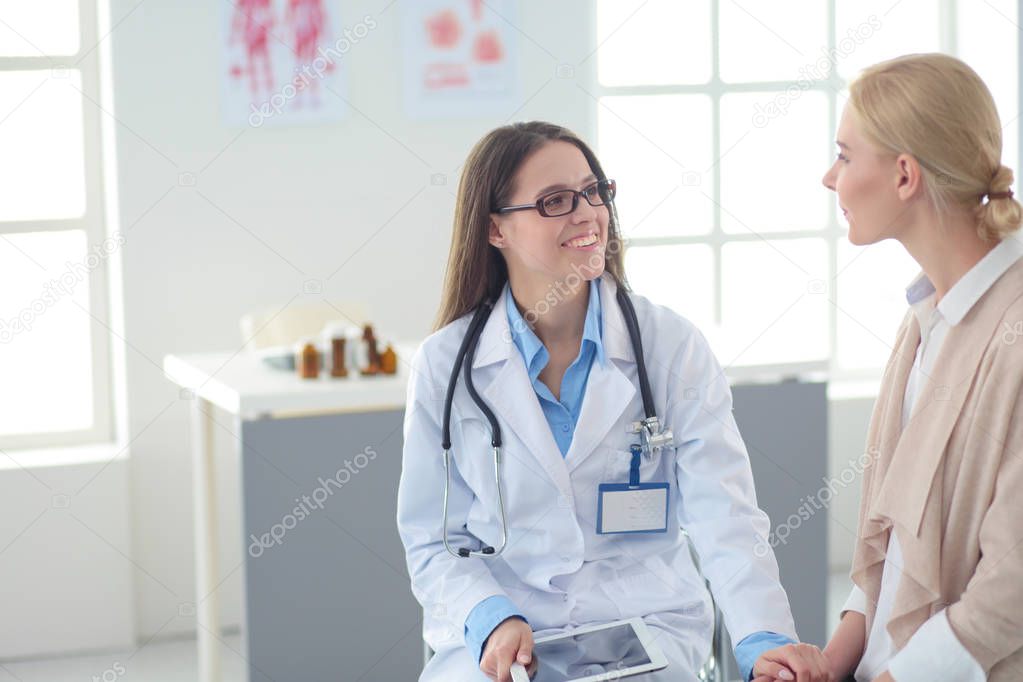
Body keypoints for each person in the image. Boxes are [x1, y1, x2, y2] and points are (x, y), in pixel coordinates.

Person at [397, 121, 829, 682]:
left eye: (594, 191)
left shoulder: (669, 348)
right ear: (496, 229)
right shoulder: (446, 366)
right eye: (555, 201)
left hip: (646, 622)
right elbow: (433, 543)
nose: (587, 214)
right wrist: (490, 618)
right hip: (507, 636)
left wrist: (761, 639)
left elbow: (725, 516)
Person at [821, 53, 1023, 681]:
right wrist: (831, 664)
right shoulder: (922, 321)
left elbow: (1012, 585)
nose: (830, 178)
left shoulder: (1013, 334)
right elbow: (891, 545)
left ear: (904, 175)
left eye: (846, 156)